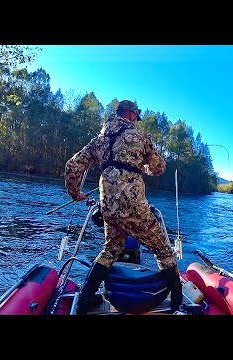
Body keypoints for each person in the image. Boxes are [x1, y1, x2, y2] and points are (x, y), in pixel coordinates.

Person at [64, 99, 183, 314]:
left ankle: (84, 301)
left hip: (107, 202)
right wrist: (144, 167)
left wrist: (75, 193)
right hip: (133, 203)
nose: (137, 121)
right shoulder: (140, 136)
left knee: (111, 248)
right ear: (130, 115)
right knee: (163, 250)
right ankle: (177, 304)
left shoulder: (99, 139)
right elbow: (159, 168)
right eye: (136, 117)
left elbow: (72, 165)